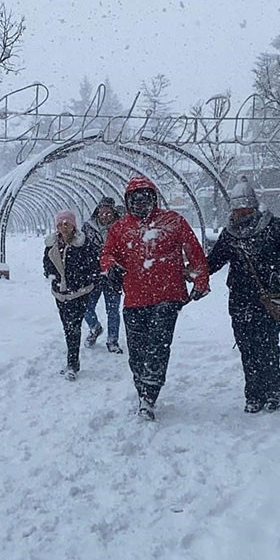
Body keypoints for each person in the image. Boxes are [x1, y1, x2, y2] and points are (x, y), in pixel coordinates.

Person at [101, 176, 210, 421]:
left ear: (154, 198)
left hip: (168, 296)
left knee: (158, 346)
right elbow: (107, 253)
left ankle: (150, 394)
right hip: (134, 299)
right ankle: (142, 387)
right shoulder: (120, 228)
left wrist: (201, 281)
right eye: (135, 199)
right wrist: (110, 267)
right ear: (128, 201)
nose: (141, 203)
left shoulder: (172, 221)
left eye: (145, 197)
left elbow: (194, 252)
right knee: (137, 351)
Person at [206, 180, 280, 413]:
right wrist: (193, 271)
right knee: (247, 348)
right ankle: (254, 394)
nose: (241, 213)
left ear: (254, 206)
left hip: (267, 299)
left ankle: (272, 392)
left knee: (267, 346)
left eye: (245, 208)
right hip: (240, 299)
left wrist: (279, 279)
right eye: (237, 209)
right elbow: (214, 261)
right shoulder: (230, 234)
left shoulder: (274, 227)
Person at [43, 210, 100, 381]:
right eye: (60, 224)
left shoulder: (83, 244)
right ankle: (73, 361)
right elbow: (47, 264)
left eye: (67, 223)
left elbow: (93, 266)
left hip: (78, 293)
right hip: (60, 293)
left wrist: (78, 280)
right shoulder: (52, 244)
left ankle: (72, 364)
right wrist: (54, 278)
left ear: (73, 225)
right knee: (67, 327)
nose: (64, 226)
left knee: (73, 327)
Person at [81, 197, 124, 353]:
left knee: (113, 311)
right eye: (102, 212)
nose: (105, 216)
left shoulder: (121, 227)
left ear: (114, 212)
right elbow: (81, 248)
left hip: (113, 275)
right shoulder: (88, 228)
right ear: (97, 211)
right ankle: (95, 327)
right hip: (93, 274)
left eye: (108, 213)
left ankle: (112, 341)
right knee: (86, 307)